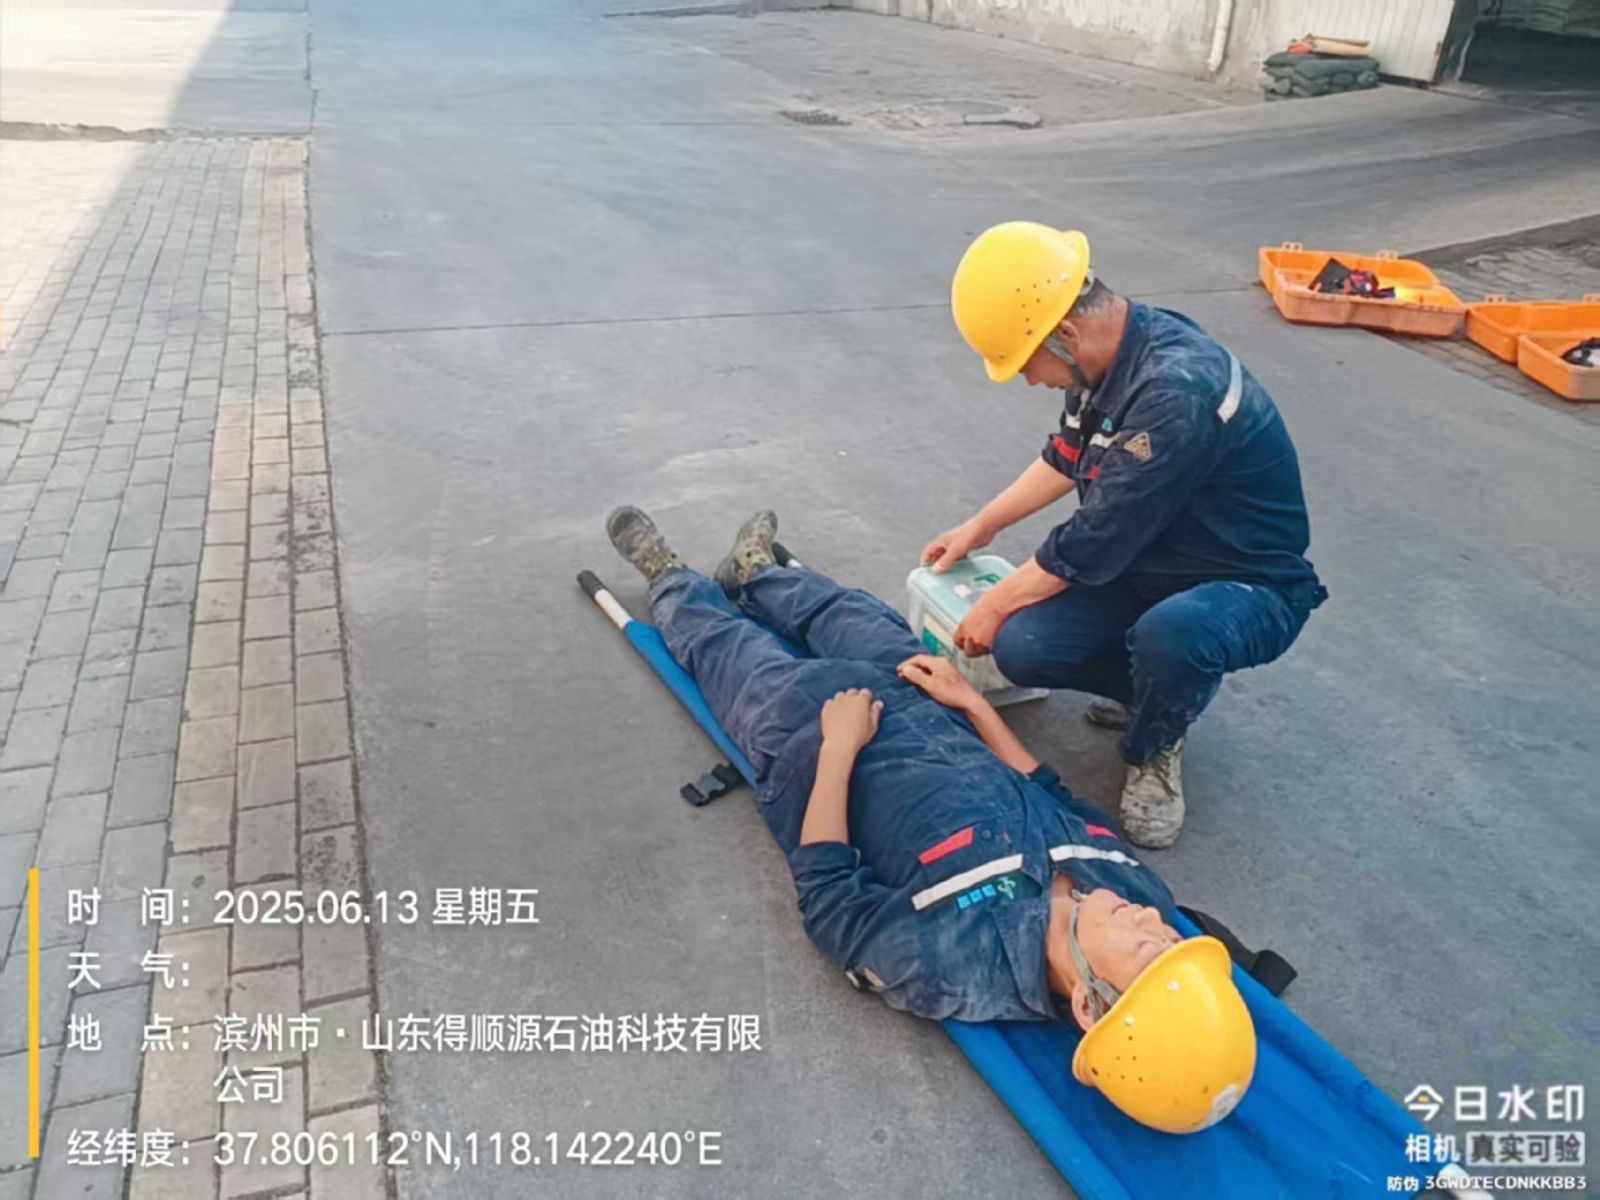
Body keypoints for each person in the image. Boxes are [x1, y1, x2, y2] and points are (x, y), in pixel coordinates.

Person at [605, 504, 1256, 1135]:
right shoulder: (1138, 892)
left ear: (1088, 1003)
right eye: (1171, 940)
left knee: (723, 648)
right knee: (850, 614)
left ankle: (670, 578)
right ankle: (755, 572)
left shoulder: (958, 963)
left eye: (1145, 948)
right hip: (933, 706)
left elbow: (831, 902)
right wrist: (971, 702)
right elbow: (1051, 792)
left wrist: (837, 747)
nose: (1150, 921)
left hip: (810, 734)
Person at [926, 222, 1328, 849]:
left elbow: (1091, 540)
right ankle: (1153, 691)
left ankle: (1157, 742)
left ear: (1064, 334)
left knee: (1175, 634)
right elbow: (1066, 456)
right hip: (1153, 559)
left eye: (1028, 365)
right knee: (1023, 647)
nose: (1031, 380)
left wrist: (994, 602)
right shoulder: (1109, 357)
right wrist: (979, 527)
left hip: (1245, 584)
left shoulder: (1176, 390)